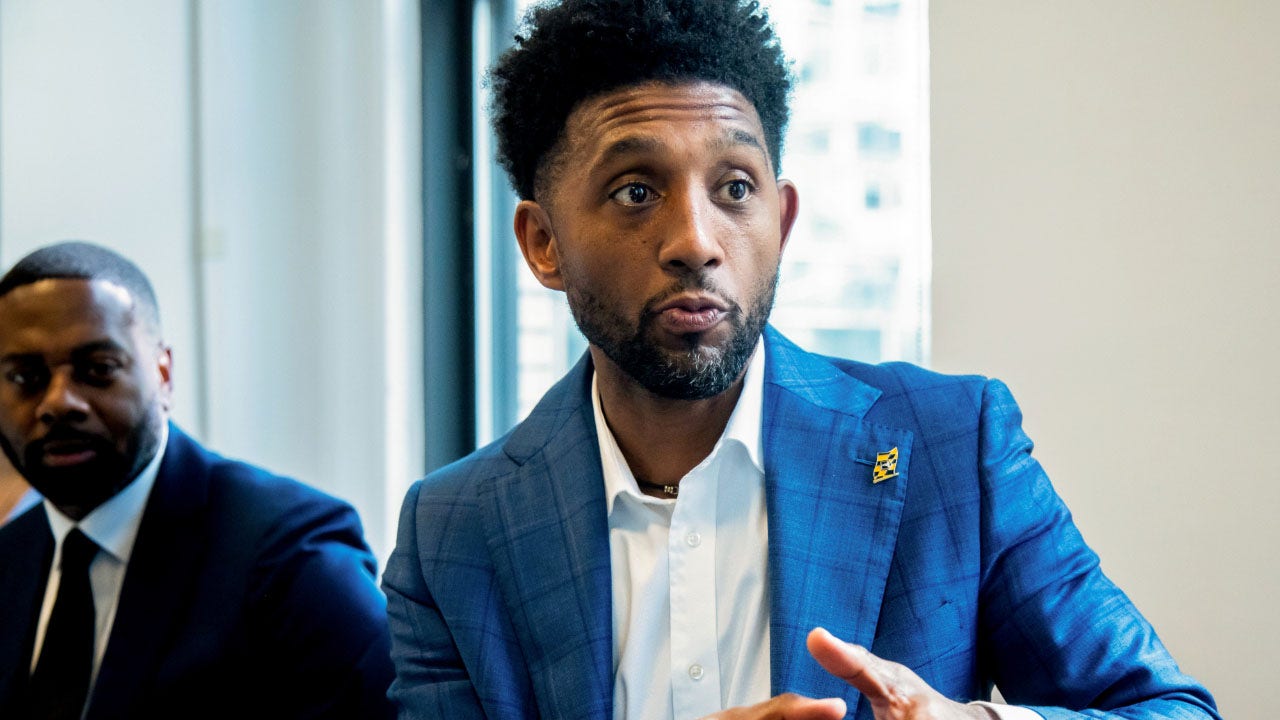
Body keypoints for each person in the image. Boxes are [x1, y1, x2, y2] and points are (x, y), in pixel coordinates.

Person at [381, 1, 1220, 718]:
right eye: (636, 191)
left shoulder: (953, 447)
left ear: (780, 222)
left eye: (734, 188)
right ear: (542, 243)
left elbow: (1170, 708)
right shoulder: (453, 534)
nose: (696, 241)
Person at [0, 241, 397, 719]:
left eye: (98, 369)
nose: (59, 402)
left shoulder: (291, 553)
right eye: (24, 377)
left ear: (163, 374)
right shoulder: (10, 558)